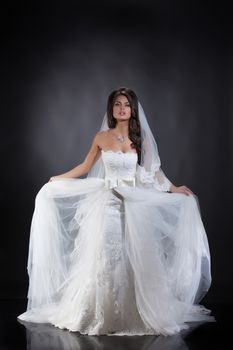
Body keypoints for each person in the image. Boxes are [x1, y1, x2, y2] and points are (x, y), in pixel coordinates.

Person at [18, 87, 216, 336]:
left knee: (136, 253)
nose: (121, 109)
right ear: (111, 109)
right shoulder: (101, 137)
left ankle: (138, 311)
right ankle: (102, 311)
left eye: (126, 105)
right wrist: (56, 178)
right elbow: (86, 165)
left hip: (134, 203)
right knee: (107, 253)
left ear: (132, 109)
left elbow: (153, 172)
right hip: (107, 202)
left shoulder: (140, 138)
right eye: (117, 105)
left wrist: (174, 188)